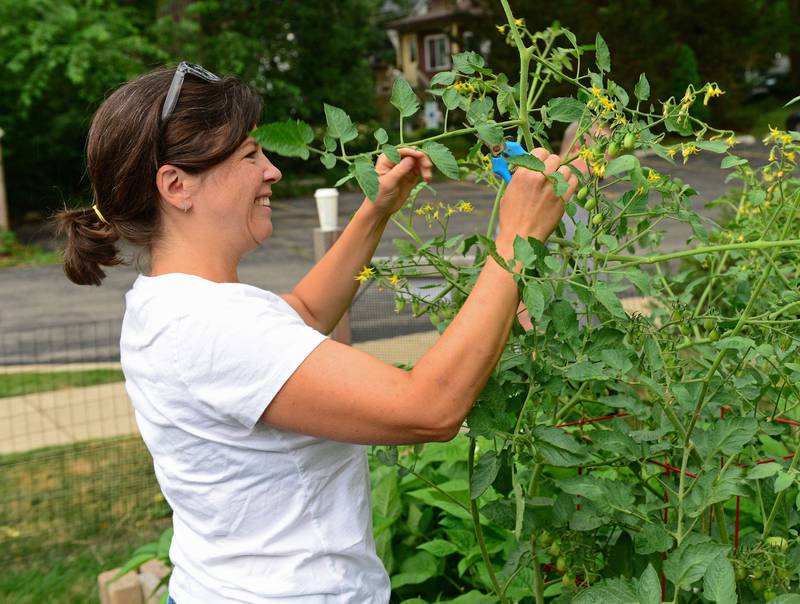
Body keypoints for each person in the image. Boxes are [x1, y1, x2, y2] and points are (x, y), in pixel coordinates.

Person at [55, 63, 577, 603]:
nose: (272, 171)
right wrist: (516, 238)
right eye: (250, 155)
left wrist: (376, 210)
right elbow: (431, 407)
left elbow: (301, 312)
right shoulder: (212, 327)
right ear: (176, 186)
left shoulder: (168, 302)